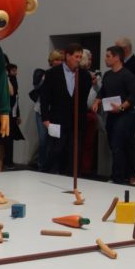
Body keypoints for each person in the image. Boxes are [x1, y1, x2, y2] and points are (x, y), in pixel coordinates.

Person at [40, 44, 97, 177]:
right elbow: (45, 97)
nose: (78, 59)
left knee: (74, 153)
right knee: (55, 150)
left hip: (76, 121)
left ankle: (70, 179)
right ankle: (45, 176)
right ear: (68, 56)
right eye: (76, 56)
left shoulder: (84, 75)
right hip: (57, 119)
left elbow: (84, 99)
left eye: (80, 57)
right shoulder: (53, 73)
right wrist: (45, 118)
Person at [94, 46, 135, 184]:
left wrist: (121, 107)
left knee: (117, 144)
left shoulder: (127, 75)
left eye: (108, 56)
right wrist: (97, 101)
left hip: (125, 115)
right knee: (114, 144)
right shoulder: (108, 75)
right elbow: (103, 91)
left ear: (117, 57)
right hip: (112, 114)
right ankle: (122, 175)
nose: (105, 59)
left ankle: (118, 177)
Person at [116, 37, 135, 184]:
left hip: (131, 108)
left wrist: (127, 104)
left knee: (128, 138)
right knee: (116, 140)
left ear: (125, 49)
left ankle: (131, 174)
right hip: (116, 108)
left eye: (117, 48)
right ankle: (118, 173)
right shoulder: (118, 65)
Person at [30, 50, 63, 171]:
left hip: (55, 111)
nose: (59, 62)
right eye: (57, 60)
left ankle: (51, 165)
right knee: (43, 139)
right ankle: (41, 164)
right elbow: (37, 87)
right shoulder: (44, 74)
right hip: (41, 111)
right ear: (51, 61)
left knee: (53, 140)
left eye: (61, 60)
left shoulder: (63, 76)